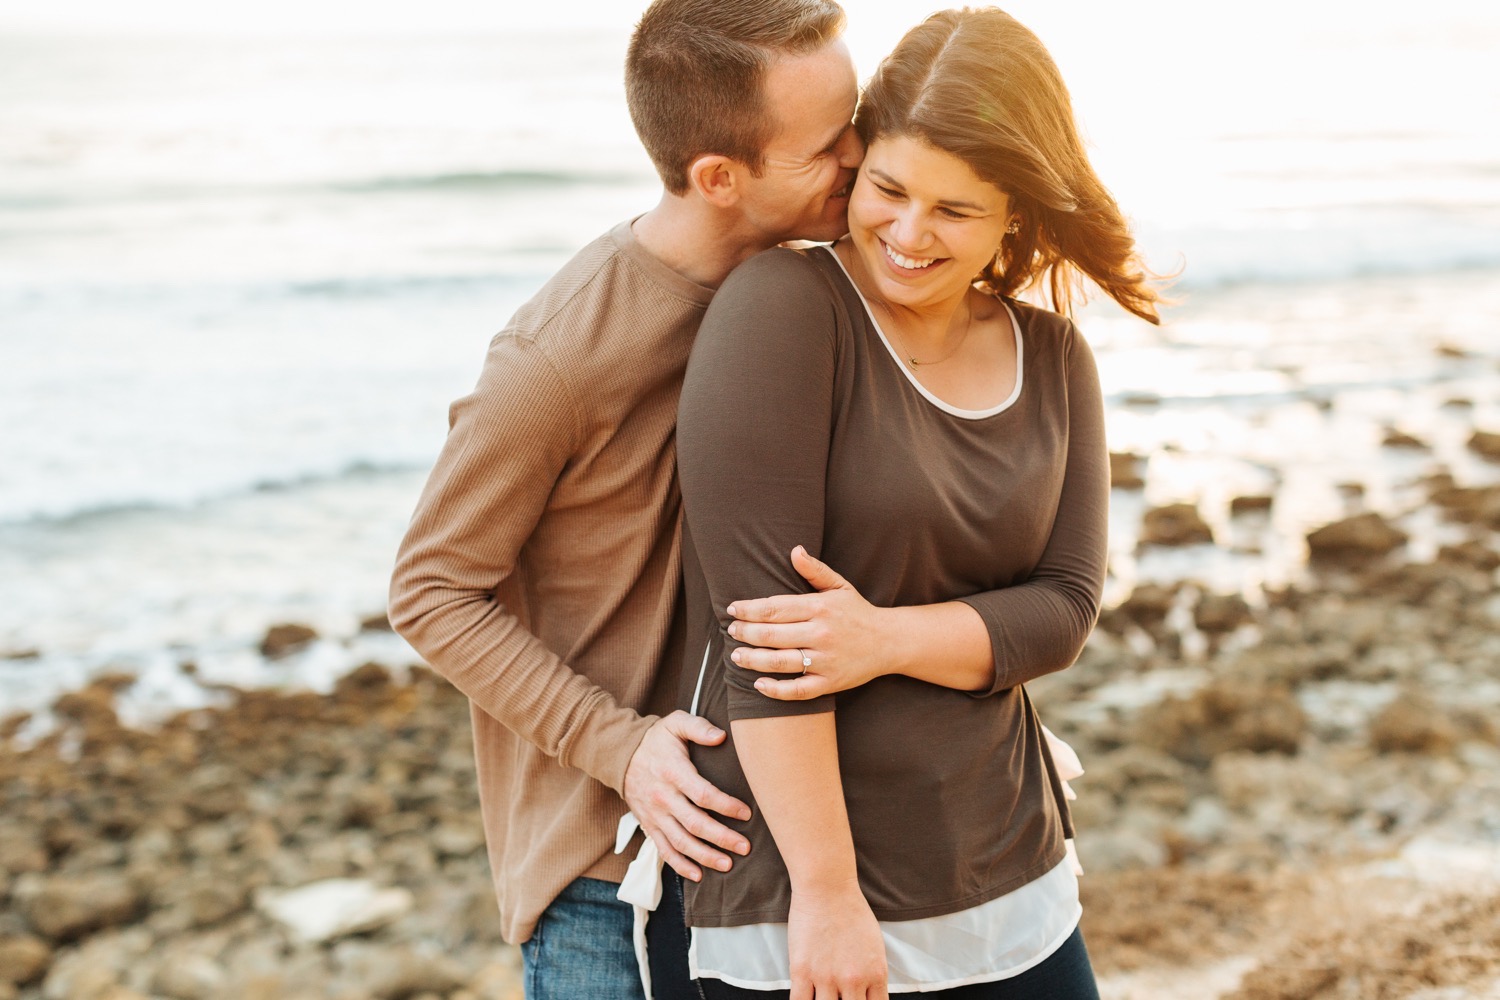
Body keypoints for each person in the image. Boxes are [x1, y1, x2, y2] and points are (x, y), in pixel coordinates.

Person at [660, 7, 1164, 999]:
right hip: (800, 899)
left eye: (955, 210)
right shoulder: (784, 310)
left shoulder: (1054, 358)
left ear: (1014, 211)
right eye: (887, 190)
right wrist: (829, 893)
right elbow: (768, 645)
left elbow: (1063, 609)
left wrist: (885, 638)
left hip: (1008, 865)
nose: (908, 233)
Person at [388, 1, 860, 997]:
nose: (861, 156)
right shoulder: (554, 359)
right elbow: (430, 590)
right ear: (720, 178)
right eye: (828, 145)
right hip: (604, 877)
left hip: (760, 841)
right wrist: (622, 745)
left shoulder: (801, 286)